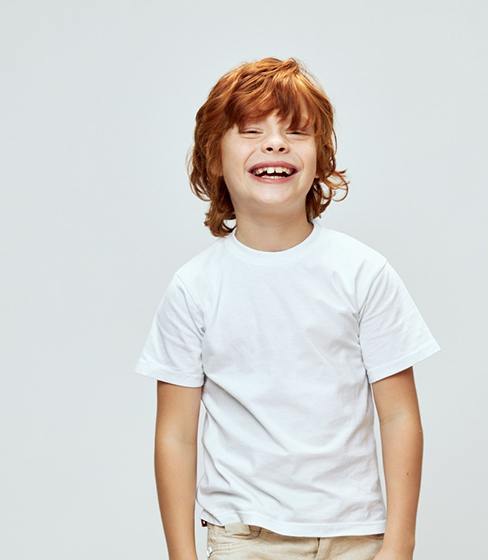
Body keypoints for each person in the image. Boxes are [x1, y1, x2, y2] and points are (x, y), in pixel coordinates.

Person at [134, 57, 441, 560]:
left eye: (295, 132)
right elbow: (175, 433)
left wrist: (399, 543)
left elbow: (401, 415)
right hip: (244, 537)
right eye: (251, 130)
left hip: (357, 535)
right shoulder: (195, 288)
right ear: (214, 158)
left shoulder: (363, 272)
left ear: (320, 158)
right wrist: (181, 555)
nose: (274, 143)